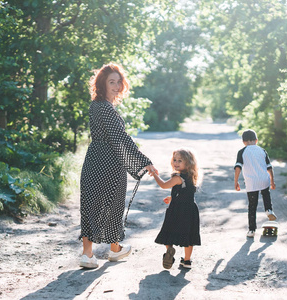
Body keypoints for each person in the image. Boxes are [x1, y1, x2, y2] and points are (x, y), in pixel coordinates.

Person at [79, 62, 157, 269]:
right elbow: (119, 138)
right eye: (110, 82)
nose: (115, 86)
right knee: (106, 204)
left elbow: (116, 137)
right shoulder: (104, 107)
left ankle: (110, 249)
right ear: (101, 84)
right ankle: (92, 252)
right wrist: (144, 162)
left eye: (118, 82)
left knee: (97, 204)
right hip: (108, 161)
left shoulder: (97, 105)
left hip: (95, 158)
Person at [152, 148, 201, 269]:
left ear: (188, 163)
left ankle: (170, 250)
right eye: (174, 160)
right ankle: (187, 260)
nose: (176, 163)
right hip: (190, 210)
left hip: (176, 210)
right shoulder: (190, 176)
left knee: (168, 231)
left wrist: (154, 174)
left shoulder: (177, 178)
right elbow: (186, 193)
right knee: (189, 236)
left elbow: (163, 185)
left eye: (180, 160)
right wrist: (172, 197)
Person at [234, 129, 277, 238]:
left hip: (251, 182)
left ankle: (252, 230)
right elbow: (269, 167)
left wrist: (236, 181)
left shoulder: (242, 152)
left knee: (252, 206)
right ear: (256, 140)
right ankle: (268, 210)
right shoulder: (262, 150)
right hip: (264, 179)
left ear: (243, 142)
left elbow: (238, 167)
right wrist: (272, 181)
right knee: (266, 194)